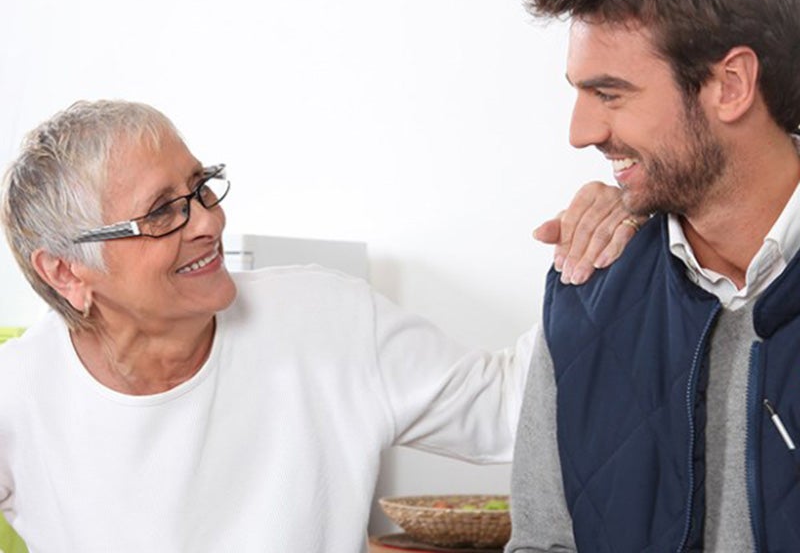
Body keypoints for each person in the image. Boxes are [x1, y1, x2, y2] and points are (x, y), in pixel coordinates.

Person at [0, 100, 638, 552]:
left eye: (201, 187)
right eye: (164, 211)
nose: (207, 222)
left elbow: (509, 408)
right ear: (65, 273)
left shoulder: (323, 319)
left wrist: (608, 261)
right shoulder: (17, 393)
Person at [506, 0, 800, 552]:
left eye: (609, 94)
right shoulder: (586, 288)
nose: (579, 132)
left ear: (731, 85)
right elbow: (542, 544)